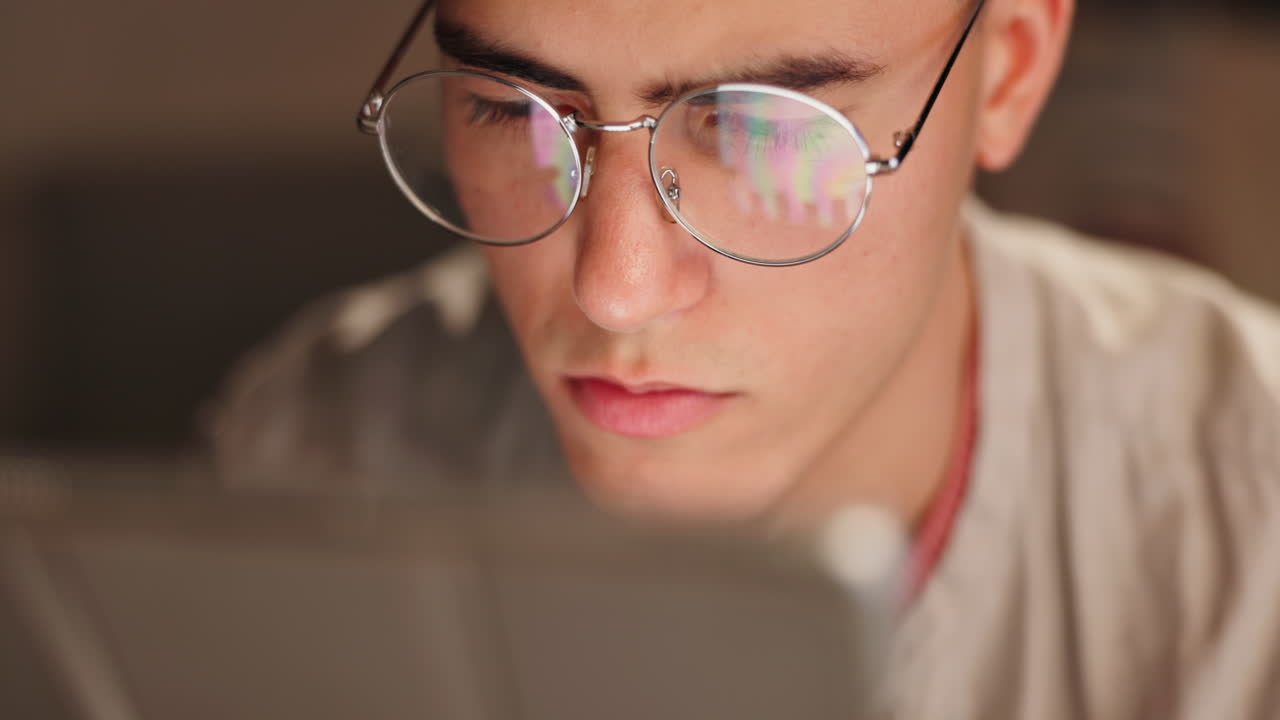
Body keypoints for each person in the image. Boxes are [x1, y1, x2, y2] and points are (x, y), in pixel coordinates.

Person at [207, 0, 1280, 716]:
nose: (614, 289)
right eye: (511, 107)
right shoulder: (316, 473)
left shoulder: (1250, 551)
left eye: (762, 128)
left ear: (1008, 67)